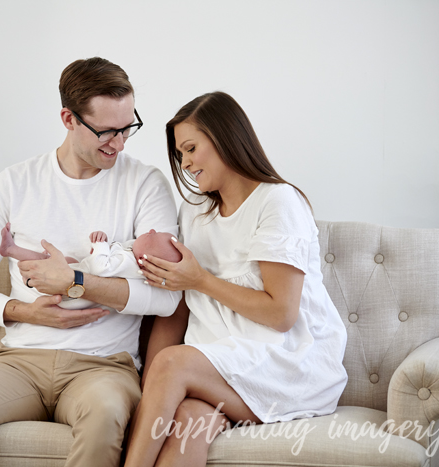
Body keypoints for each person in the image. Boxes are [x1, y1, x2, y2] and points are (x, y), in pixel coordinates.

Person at [0, 57, 181, 467]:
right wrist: (24, 312)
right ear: (69, 118)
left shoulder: (145, 185)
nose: (119, 143)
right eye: (106, 131)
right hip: (20, 361)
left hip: (103, 367)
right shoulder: (14, 183)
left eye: (127, 127)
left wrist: (75, 281)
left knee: (106, 414)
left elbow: (165, 299)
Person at [123, 91, 348, 467]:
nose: (187, 163)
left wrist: (200, 280)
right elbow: (177, 309)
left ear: (225, 137)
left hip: (285, 365)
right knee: (189, 421)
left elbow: (281, 314)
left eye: (192, 148)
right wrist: (151, 392)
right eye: (181, 154)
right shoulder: (194, 211)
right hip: (219, 366)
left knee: (169, 364)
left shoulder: (278, 202)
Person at [0, 223, 182, 309]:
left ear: (145, 258)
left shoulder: (130, 263)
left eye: (152, 236)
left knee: (45, 260)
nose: (150, 230)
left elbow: (100, 268)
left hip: (72, 292)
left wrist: (100, 245)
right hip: (76, 277)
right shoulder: (131, 254)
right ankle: (12, 250)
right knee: (56, 260)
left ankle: (12, 250)